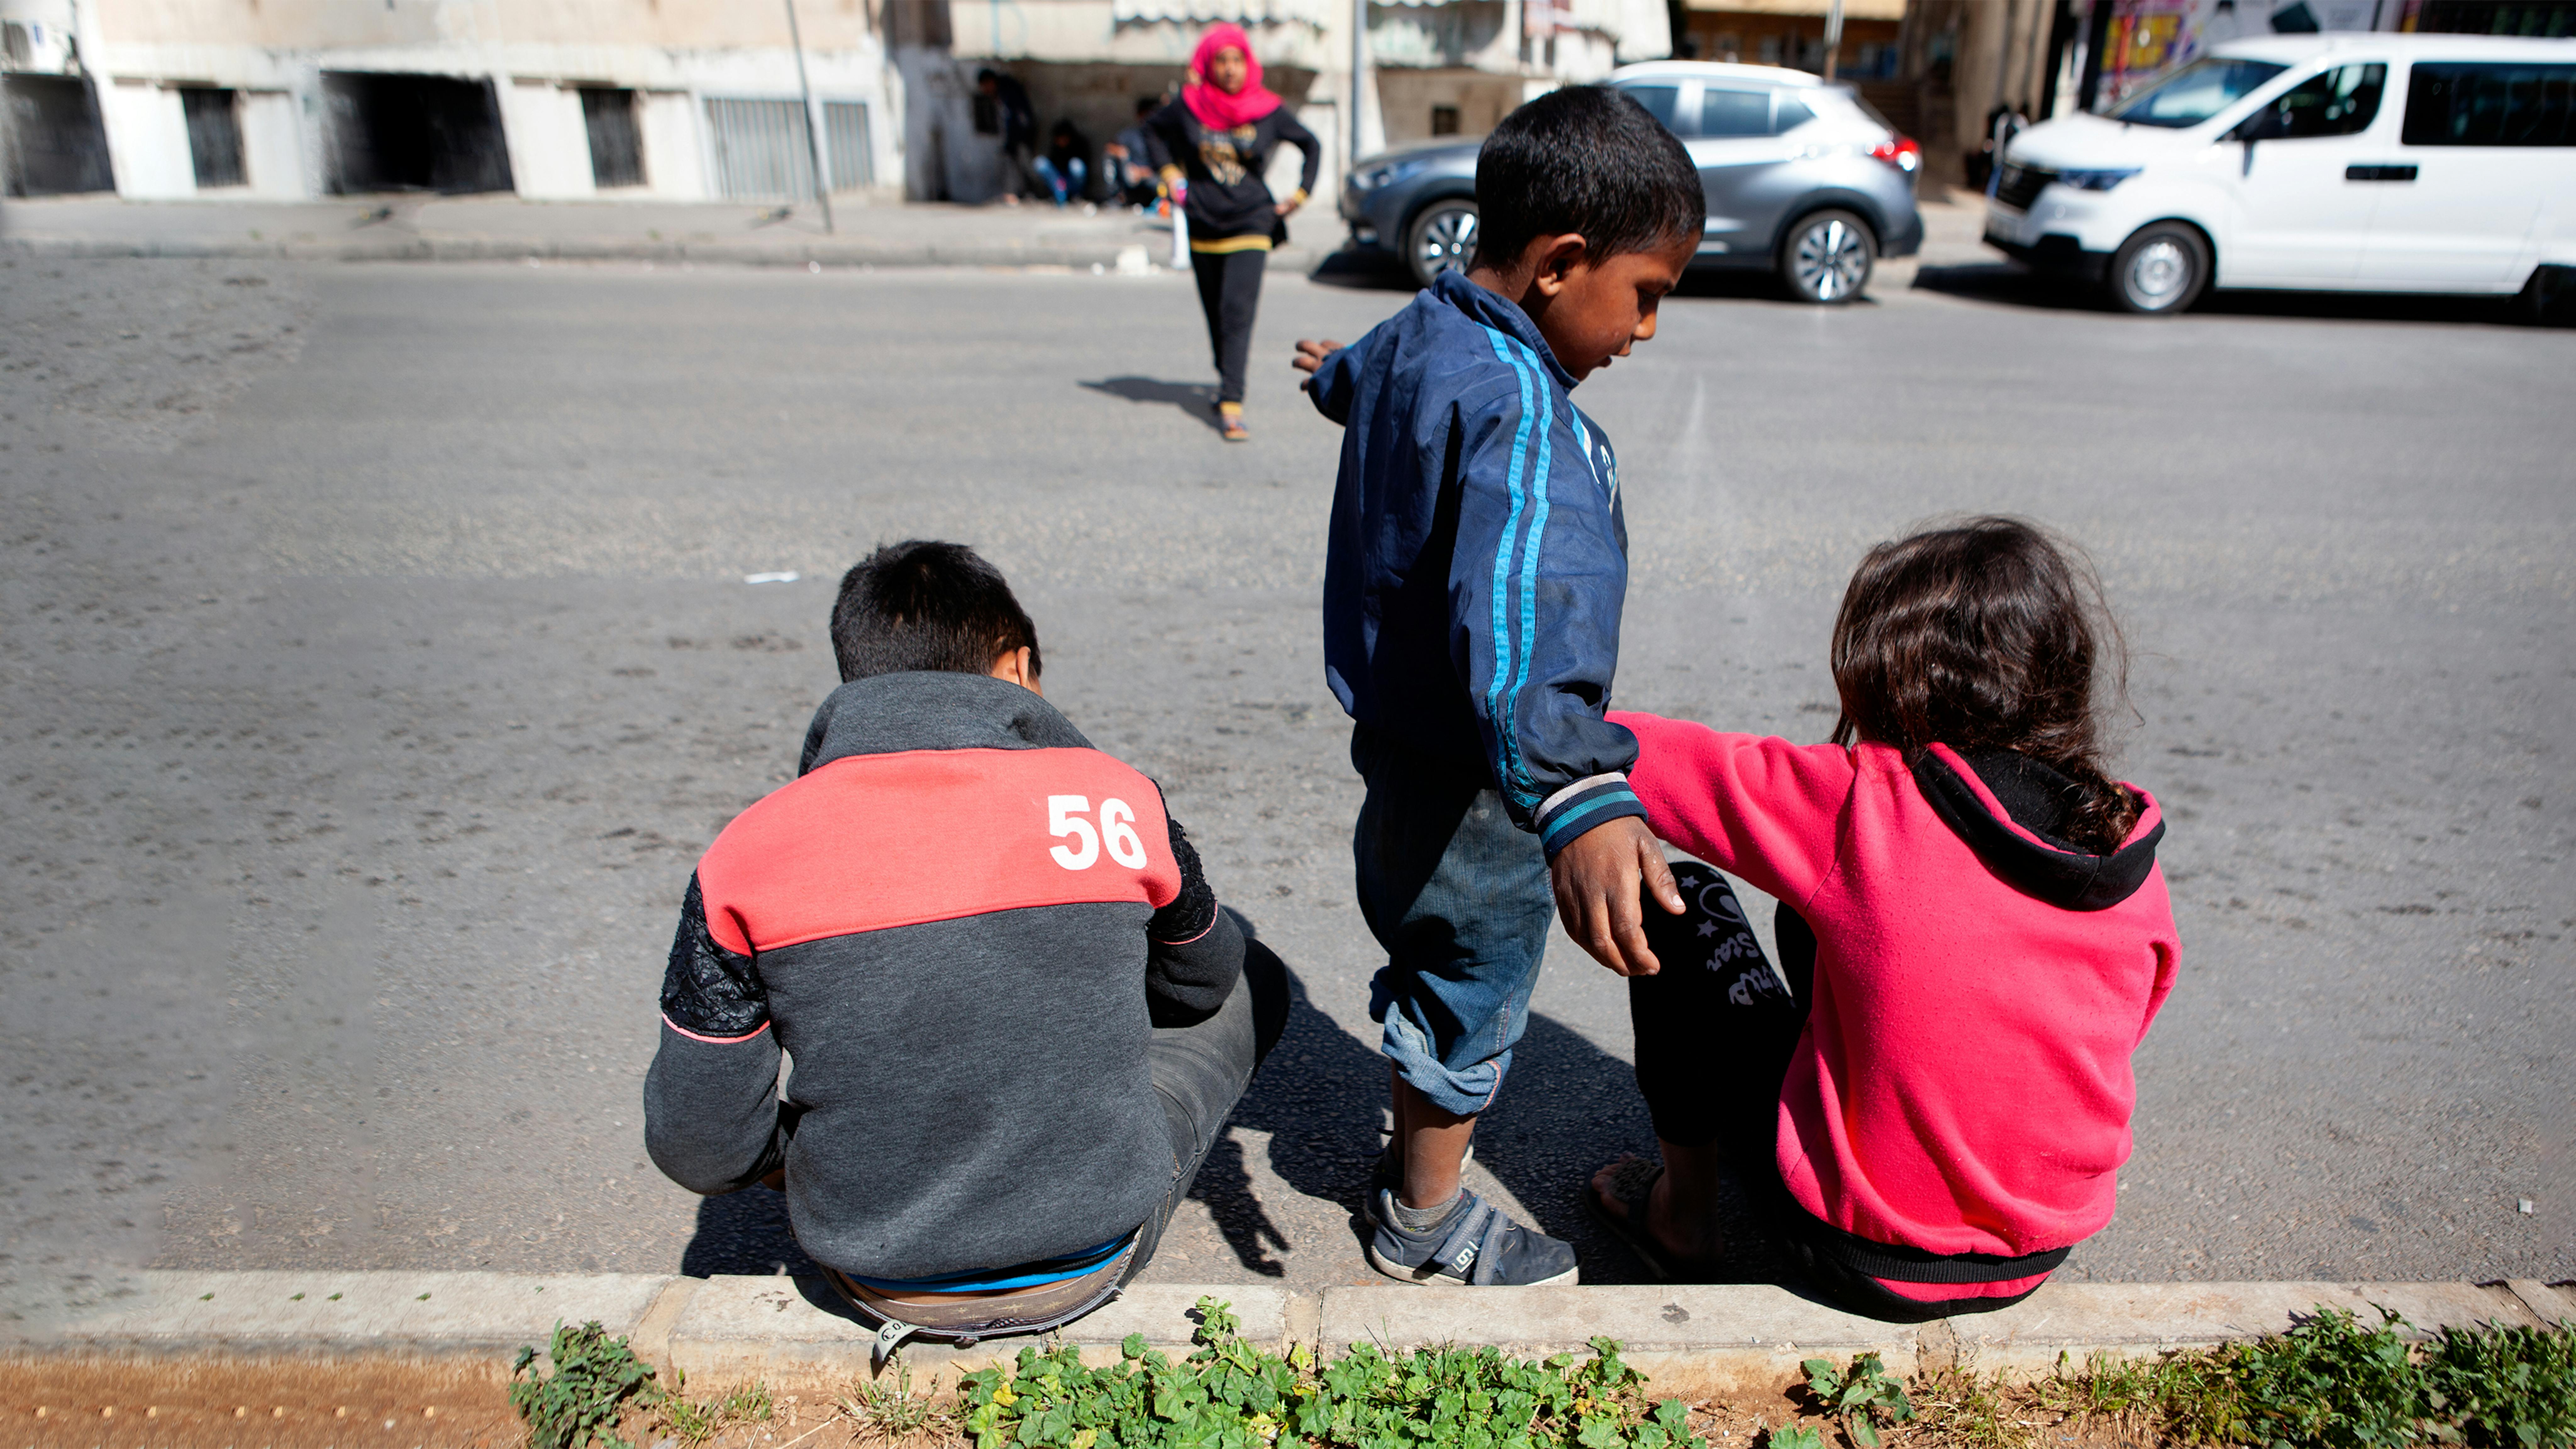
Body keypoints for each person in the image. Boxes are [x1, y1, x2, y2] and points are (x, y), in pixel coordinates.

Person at [642, 540, 1288, 1352]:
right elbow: (1199, 987)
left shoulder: (748, 850)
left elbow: (700, 1147)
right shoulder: (1117, 799)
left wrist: (802, 1156)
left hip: (879, 1277)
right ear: (1017, 667)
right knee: (1254, 967)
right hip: (1088, 1258)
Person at [1290, 86, 1704, 1287]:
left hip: (1401, 744)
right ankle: (1418, 1218)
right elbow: (1528, 609)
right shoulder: (1530, 424)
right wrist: (1576, 792)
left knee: (1428, 949)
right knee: (1469, 989)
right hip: (1485, 778)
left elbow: (1365, 375)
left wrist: (1335, 384)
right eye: (1645, 295)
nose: (1643, 331)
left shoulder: (1423, 328)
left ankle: (1413, 1156)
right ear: (1563, 262)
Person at [1585, 518, 2181, 1321]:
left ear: (1886, 674)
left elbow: (1645, 755)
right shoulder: (2122, 845)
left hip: (1862, 1252)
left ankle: (1682, 1221)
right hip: (2037, 1251)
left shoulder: (1864, 802)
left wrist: (1522, 699)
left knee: (1683, 903)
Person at [1144, 25, 1319, 442]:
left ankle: (1232, 405)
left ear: (1249, 64)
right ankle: (1226, 379)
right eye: (1221, 61)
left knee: (1236, 314)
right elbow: (1150, 132)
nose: (1229, 69)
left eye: (1237, 60)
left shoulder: (1268, 109)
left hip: (1251, 222)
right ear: (1208, 65)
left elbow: (1312, 145)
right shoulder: (1188, 106)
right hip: (1203, 222)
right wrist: (1170, 174)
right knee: (1215, 315)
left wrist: (1299, 196)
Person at [975, 68, 1040, 202]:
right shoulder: (1004, 89)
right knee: (1018, 162)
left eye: (985, 86)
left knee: (1024, 162)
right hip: (1020, 131)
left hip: (1022, 132)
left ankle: (1029, 194)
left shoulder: (1006, 91)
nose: (985, 90)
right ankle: (1023, 193)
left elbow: (1013, 116)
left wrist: (1012, 139)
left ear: (990, 82)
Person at [1103, 97, 1164, 210]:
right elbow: (1110, 147)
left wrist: (1143, 173)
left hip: (1154, 179)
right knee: (1109, 158)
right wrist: (1122, 154)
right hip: (1131, 178)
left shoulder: (1160, 137)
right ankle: (1116, 197)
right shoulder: (1132, 134)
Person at [1034, 118, 1091, 208]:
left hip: (1073, 183)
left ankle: (1075, 197)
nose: (1060, 141)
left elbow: (1082, 172)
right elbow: (1052, 169)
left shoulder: (1080, 146)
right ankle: (1060, 197)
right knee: (1040, 163)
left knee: (1076, 166)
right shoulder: (1056, 147)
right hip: (1059, 182)